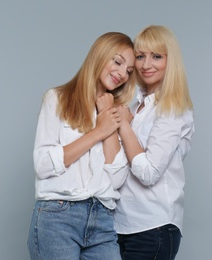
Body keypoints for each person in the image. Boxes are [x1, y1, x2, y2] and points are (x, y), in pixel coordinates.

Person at [27, 32, 136, 260]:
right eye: (117, 61)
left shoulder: (118, 114)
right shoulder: (57, 99)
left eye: (128, 71)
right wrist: (99, 131)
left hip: (102, 218)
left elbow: (116, 179)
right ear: (99, 55)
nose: (122, 74)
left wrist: (107, 114)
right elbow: (44, 164)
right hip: (58, 217)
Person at [114, 25, 195, 260]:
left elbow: (149, 172)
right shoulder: (135, 105)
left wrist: (124, 126)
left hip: (153, 227)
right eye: (140, 56)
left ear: (171, 61)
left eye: (157, 56)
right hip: (121, 224)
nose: (146, 65)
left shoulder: (173, 109)